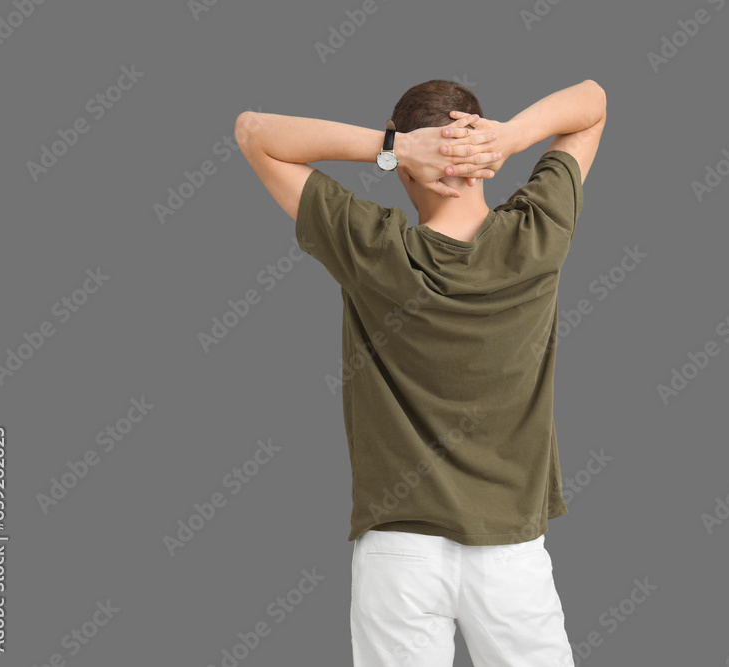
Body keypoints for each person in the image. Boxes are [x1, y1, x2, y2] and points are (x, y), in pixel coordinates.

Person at [236, 78, 606, 666]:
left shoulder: (371, 248)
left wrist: (392, 146)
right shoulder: (539, 234)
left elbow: (253, 132)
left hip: (397, 556)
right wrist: (506, 139)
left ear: (407, 170)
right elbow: (591, 104)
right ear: (482, 163)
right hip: (510, 553)